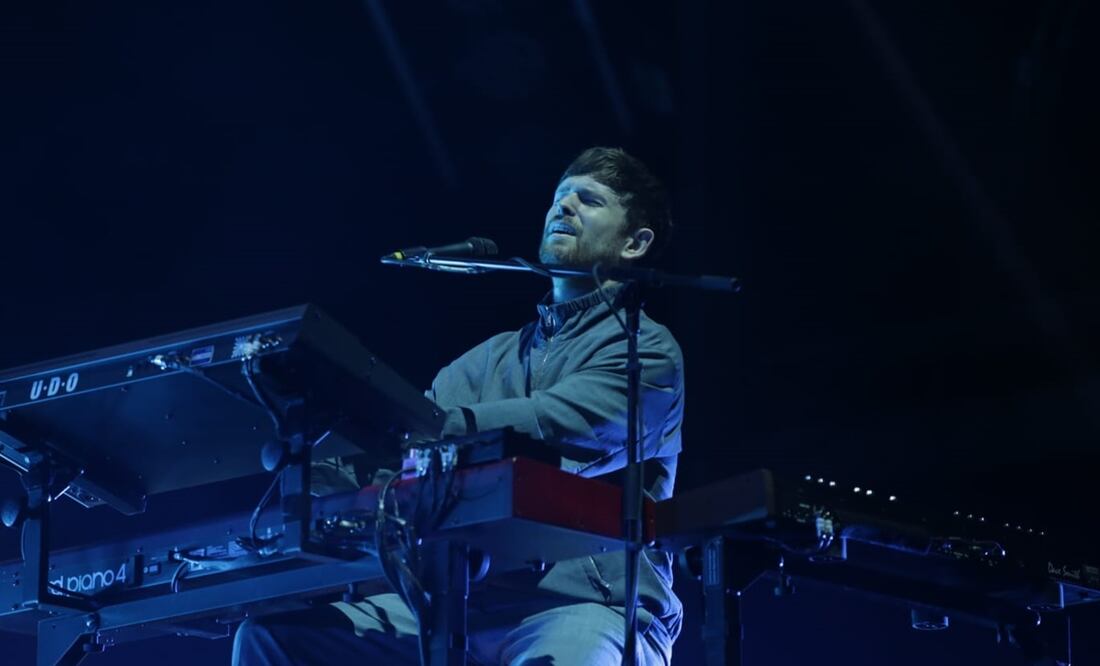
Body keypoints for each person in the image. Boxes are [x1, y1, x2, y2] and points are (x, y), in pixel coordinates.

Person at [232, 147, 685, 665]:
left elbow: (556, 424)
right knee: (270, 638)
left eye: (590, 200)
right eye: (560, 197)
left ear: (635, 243)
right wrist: (316, 470)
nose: (565, 207)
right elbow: (399, 459)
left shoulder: (647, 351)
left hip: (584, 606)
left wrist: (430, 427)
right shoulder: (479, 364)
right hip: (461, 603)